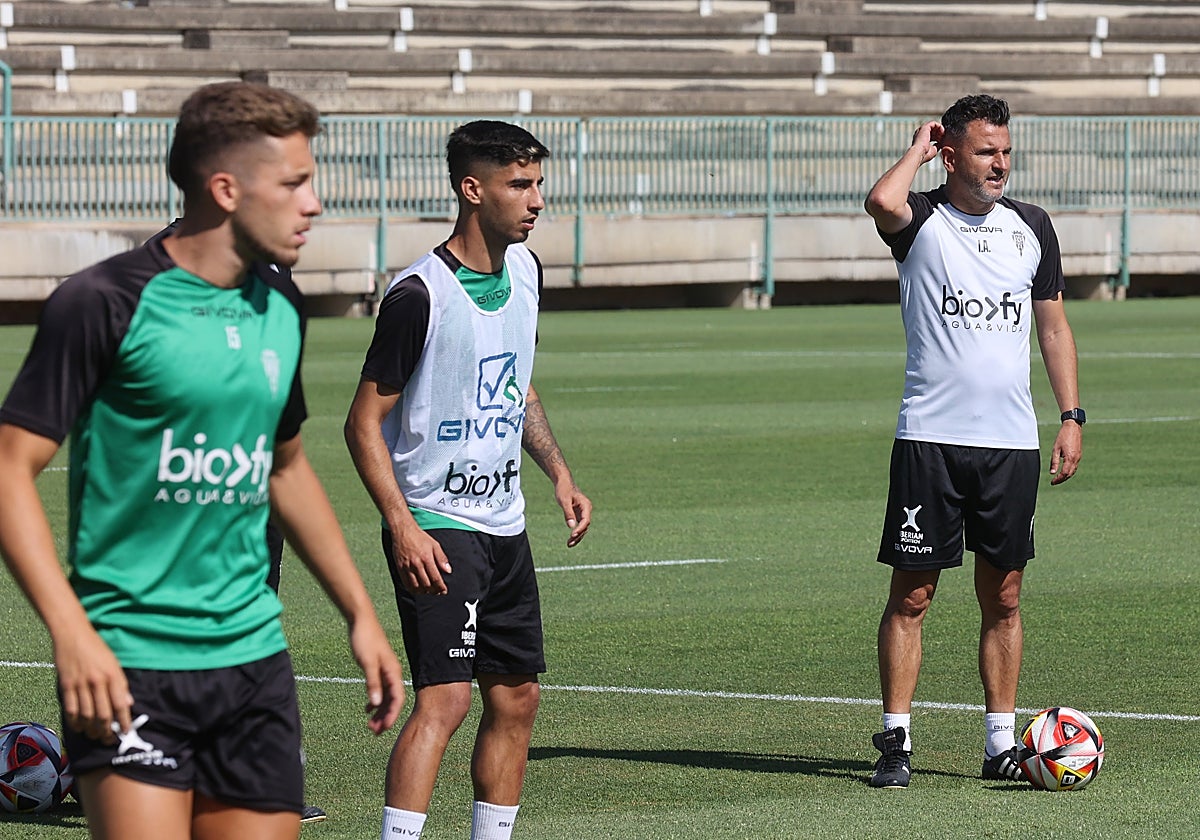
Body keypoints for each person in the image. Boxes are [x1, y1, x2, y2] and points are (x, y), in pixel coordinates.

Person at [0, 81, 404, 839]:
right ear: (225, 189)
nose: (313, 204)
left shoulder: (278, 306)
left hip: (253, 663)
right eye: (293, 184)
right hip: (129, 658)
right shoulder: (103, 302)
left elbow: (284, 466)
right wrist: (70, 630)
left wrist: (360, 613)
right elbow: (7, 467)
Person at [344, 120, 592, 840]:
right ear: (471, 188)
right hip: (437, 526)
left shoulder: (526, 271)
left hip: (505, 524)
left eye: (539, 182)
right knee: (446, 701)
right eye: (520, 183)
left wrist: (559, 471)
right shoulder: (418, 296)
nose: (536, 199)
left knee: (517, 698)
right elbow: (362, 424)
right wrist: (402, 524)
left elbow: (515, 384)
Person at [862, 94, 1083, 789]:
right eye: (985, 151)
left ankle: (998, 745)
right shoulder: (921, 220)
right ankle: (895, 741)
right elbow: (879, 200)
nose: (1000, 165)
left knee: (1007, 594)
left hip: (1009, 444)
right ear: (952, 153)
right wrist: (918, 147)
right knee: (914, 595)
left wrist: (1071, 416)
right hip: (930, 438)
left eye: (1006, 152)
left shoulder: (1032, 227)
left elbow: (1052, 327)